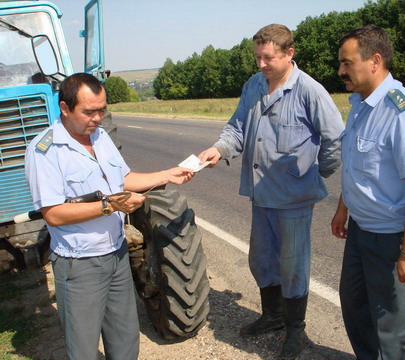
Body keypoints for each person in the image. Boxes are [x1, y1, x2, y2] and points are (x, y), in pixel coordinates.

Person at [199, 24, 344, 359]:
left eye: (268, 57)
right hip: (261, 193)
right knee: (262, 259)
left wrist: (315, 172)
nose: (261, 64)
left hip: (294, 198)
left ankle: (296, 332)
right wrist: (219, 149)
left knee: (293, 264)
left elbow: (335, 138)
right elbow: (237, 127)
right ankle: (273, 316)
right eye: (257, 57)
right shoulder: (254, 85)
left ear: (289, 53)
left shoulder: (309, 90)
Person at [25, 73, 194, 360]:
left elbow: (123, 179)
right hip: (79, 265)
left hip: (116, 255)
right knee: (83, 348)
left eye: (102, 109)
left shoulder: (100, 137)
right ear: (64, 108)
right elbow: (53, 214)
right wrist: (111, 207)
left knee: (125, 339)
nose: (98, 118)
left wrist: (168, 174)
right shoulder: (45, 151)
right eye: (89, 112)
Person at [331, 25, 405, 359]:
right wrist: (342, 209)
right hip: (361, 229)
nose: (340, 71)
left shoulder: (403, 113)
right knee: (355, 305)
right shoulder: (360, 105)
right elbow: (357, 167)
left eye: (347, 63)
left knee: (394, 323)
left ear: (374, 61)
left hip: (391, 236)